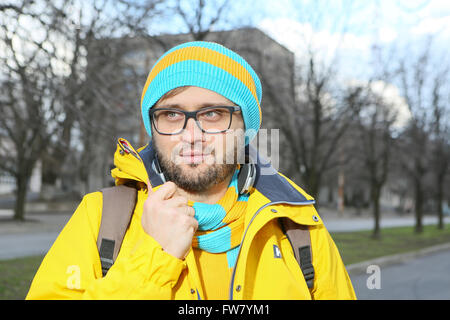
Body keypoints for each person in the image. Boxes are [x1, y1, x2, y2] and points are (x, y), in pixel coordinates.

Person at [26, 41, 356, 300]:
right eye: (171, 114)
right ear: (152, 127)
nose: (191, 134)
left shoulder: (297, 225)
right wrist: (155, 260)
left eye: (213, 114)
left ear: (246, 129)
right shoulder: (101, 217)